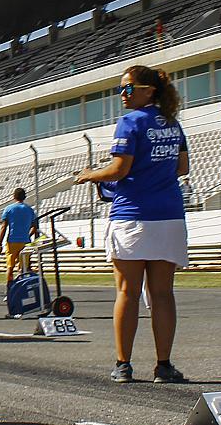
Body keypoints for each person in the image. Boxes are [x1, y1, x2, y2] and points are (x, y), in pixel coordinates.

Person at [77, 64, 190, 384]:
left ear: (148, 91)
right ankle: (164, 365)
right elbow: (182, 167)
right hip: (168, 215)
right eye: (121, 90)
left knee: (127, 291)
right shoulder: (172, 123)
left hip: (132, 216)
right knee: (163, 294)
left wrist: (89, 175)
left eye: (128, 89)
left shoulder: (130, 122)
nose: (122, 96)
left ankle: (123, 364)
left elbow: (118, 170)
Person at [0, 187, 38, 290]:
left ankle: (9, 290)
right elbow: (35, 227)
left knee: (10, 267)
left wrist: (0, 243)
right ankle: (24, 289)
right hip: (25, 242)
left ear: (14, 196)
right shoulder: (29, 209)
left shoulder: (9, 209)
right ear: (24, 197)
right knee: (24, 268)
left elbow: (4, 226)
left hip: (12, 241)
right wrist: (28, 235)